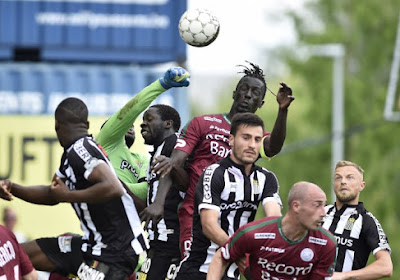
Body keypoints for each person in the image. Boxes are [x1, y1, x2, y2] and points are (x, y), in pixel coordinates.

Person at [152, 61, 295, 258]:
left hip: (233, 219)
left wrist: (283, 110)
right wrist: (158, 203)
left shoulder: (255, 137)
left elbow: (273, 147)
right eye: (244, 89)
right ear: (234, 93)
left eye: (255, 93)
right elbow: (174, 163)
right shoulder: (202, 123)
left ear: (261, 103)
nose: (247, 95)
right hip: (195, 212)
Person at [0, 97, 148, 280]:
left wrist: (68, 195)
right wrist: (13, 187)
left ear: (56, 126)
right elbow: (51, 194)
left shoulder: (81, 149)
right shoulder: (71, 154)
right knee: (17, 256)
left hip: (115, 253)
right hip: (91, 246)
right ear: (86, 124)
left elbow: (113, 187)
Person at [175, 113, 283, 280]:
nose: (252, 145)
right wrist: (240, 253)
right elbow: (209, 225)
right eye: (245, 138)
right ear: (231, 140)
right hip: (199, 270)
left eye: (257, 139)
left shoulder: (266, 178)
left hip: (232, 274)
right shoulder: (214, 173)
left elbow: (274, 221)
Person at [96, 67, 190, 210]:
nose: (135, 126)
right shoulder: (106, 142)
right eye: (127, 124)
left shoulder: (144, 159)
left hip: (133, 225)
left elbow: (149, 190)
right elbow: (130, 110)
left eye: (133, 125)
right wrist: (161, 85)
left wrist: (111, 186)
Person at [207, 181, 337, 280]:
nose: (323, 213)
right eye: (317, 205)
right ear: (296, 206)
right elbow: (220, 258)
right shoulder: (253, 234)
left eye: (324, 206)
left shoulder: (326, 243)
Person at [322, 161, 393, 280]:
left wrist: (344, 276)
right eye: (338, 178)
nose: (343, 181)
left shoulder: (367, 221)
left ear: (362, 185)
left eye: (350, 177)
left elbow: (386, 267)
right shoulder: (320, 212)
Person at [136, 104, 184, 280]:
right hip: (157, 241)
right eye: (142, 121)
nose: (142, 125)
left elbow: (186, 181)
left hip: (171, 241)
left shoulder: (175, 145)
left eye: (149, 119)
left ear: (168, 123)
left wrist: (158, 204)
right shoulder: (158, 151)